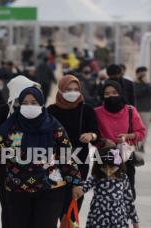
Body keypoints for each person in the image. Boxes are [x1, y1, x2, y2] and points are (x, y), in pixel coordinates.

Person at [0, 86, 82, 228]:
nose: (30, 106)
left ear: (41, 104)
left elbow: (66, 156)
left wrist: (76, 182)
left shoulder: (54, 127)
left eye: (34, 102)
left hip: (50, 190)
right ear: (20, 104)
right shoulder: (9, 127)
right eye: (25, 103)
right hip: (17, 190)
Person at [0, 75, 38, 228]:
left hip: (33, 168)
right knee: (9, 206)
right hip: (6, 168)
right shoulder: (2, 111)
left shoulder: (37, 110)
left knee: (32, 207)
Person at [47, 75, 100, 211]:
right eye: (68, 89)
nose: (73, 92)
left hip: (79, 161)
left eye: (76, 89)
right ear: (60, 90)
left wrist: (90, 135)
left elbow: (96, 132)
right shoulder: (51, 111)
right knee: (57, 202)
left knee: (74, 202)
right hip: (56, 162)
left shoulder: (86, 109)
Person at [94, 81, 146, 200]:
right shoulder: (97, 112)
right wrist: (104, 141)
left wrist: (128, 136)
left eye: (114, 92)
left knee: (128, 193)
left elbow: (141, 132)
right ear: (102, 95)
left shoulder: (130, 110)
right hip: (104, 158)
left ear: (120, 93)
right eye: (107, 94)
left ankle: (125, 217)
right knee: (104, 195)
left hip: (125, 157)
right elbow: (93, 135)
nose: (111, 96)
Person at [75, 147, 139, 228]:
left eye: (111, 167)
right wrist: (78, 189)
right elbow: (84, 186)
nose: (108, 170)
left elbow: (129, 201)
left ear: (118, 164)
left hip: (118, 219)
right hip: (98, 218)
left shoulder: (123, 178)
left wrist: (135, 222)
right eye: (104, 167)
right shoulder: (96, 177)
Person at [134, 66, 151, 152]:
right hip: (135, 109)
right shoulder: (134, 84)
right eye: (141, 74)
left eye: (144, 74)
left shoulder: (148, 84)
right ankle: (136, 144)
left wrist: (146, 83)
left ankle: (142, 145)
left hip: (145, 109)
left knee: (145, 128)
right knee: (135, 128)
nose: (143, 75)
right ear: (137, 74)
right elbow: (135, 93)